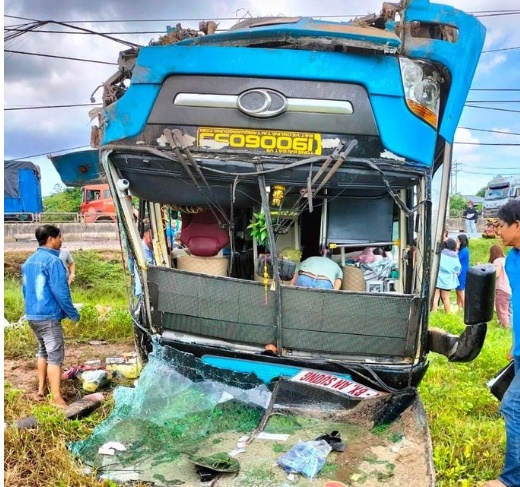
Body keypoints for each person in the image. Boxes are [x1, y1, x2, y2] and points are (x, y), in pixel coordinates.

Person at [21, 225, 80, 407]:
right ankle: (56, 398)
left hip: (33, 315)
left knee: (43, 351)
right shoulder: (53, 262)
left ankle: (41, 390)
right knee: (55, 355)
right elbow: (61, 292)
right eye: (60, 237)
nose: (61, 241)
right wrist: (73, 313)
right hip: (48, 315)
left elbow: (25, 290)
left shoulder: (29, 261)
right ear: (51, 239)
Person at [486, 200, 520, 487]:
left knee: (513, 406)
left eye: (500, 224)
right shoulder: (512, 258)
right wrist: (515, 342)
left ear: (518, 225)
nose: (496, 230)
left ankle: (512, 480)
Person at [432, 238, 461, 313]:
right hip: (447, 279)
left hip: (438, 277)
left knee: (435, 297)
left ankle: (434, 313)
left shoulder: (440, 252)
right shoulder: (455, 255)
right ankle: (447, 314)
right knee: (446, 298)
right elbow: (458, 268)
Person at [488, 244, 511, 327]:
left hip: (501, 288)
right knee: (509, 310)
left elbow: (497, 274)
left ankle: (504, 327)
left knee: (501, 310)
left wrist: (488, 274)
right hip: (509, 288)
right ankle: (510, 326)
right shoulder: (506, 259)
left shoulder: (497, 261)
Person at [455, 234, 470, 311]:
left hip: (462, 273)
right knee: (457, 290)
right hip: (459, 273)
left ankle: (465, 308)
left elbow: (456, 258)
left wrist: (456, 249)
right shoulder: (463, 250)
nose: (456, 242)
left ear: (461, 242)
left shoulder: (464, 251)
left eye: (457, 240)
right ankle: (459, 306)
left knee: (460, 290)